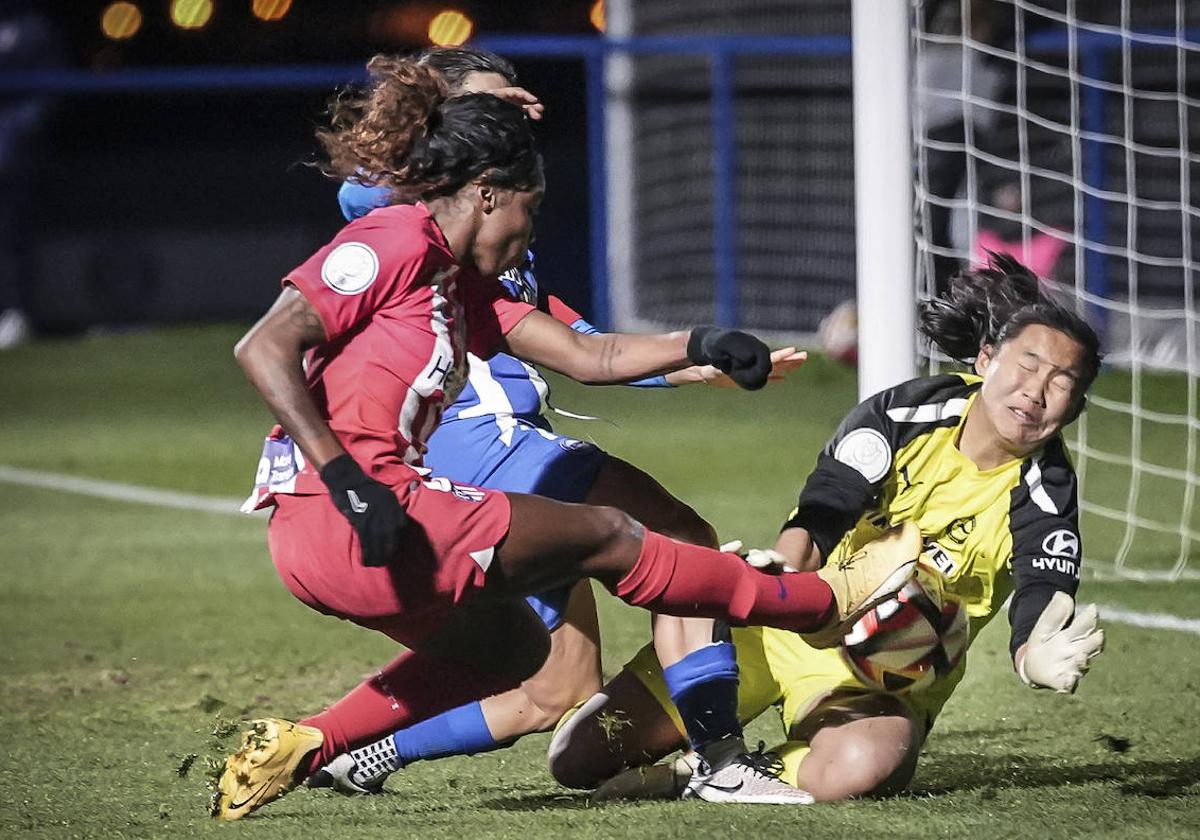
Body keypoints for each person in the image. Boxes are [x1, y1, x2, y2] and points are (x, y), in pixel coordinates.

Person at [212, 55, 920, 820]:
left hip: (355, 538)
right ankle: (814, 602)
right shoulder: (394, 238)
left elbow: (593, 355)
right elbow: (263, 346)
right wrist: (349, 479)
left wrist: (703, 342)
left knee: (524, 661)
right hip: (350, 507)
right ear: (485, 191)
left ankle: (311, 745)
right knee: (622, 533)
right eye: (530, 207)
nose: (530, 234)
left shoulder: (455, 286)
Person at [305, 46, 809, 805]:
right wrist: (463, 101)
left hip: (486, 468)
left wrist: (691, 365)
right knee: (681, 541)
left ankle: (363, 750)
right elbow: (358, 192)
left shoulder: (496, 234)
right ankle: (722, 759)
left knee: (554, 690)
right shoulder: (411, 212)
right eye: (487, 111)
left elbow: (582, 346)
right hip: (490, 447)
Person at [548, 254, 1107, 802]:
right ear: (986, 360)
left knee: (866, 765)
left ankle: (706, 772)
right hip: (785, 622)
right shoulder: (904, 414)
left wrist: (1034, 651)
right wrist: (781, 572)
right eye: (1027, 365)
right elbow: (822, 513)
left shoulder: (1044, 493)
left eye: (1061, 382)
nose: (1036, 391)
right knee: (579, 760)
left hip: (878, 683)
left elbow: (1043, 589)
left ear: (1075, 406)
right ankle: (714, 740)